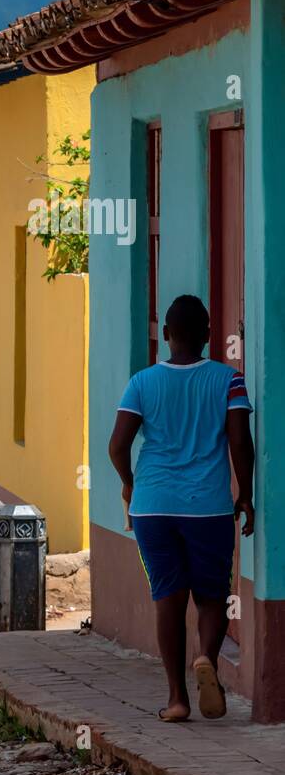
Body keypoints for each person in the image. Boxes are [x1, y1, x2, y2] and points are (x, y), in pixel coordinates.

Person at [108, 295, 254, 724]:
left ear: (166, 335)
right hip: (207, 507)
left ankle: (176, 699)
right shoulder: (229, 380)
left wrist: (131, 486)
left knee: (167, 599)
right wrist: (245, 495)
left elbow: (117, 446)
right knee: (212, 597)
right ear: (208, 335)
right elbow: (240, 443)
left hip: (153, 507)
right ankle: (206, 657)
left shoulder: (142, 382)